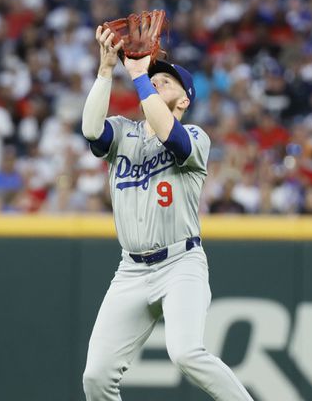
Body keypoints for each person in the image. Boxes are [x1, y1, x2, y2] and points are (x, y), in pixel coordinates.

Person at [80, 25, 253, 401]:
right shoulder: (124, 132)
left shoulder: (195, 137)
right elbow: (92, 132)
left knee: (186, 352)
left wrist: (141, 76)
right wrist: (106, 71)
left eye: (166, 82)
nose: (157, 83)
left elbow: (167, 133)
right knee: (96, 377)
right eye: (154, 78)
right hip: (131, 270)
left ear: (184, 100)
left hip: (181, 264)